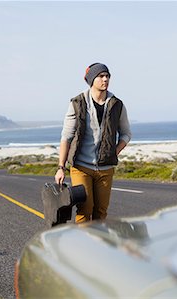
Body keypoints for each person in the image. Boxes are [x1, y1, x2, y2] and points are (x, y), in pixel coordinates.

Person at [55, 63, 131, 223]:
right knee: (85, 209)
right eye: (101, 76)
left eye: (107, 76)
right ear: (91, 80)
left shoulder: (117, 104)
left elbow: (126, 134)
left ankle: (97, 245)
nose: (105, 79)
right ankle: (83, 245)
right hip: (81, 167)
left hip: (105, 168)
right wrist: (61, 168)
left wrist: (114, 151)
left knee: (101, 212)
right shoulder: (77, 103)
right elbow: (66, 136)